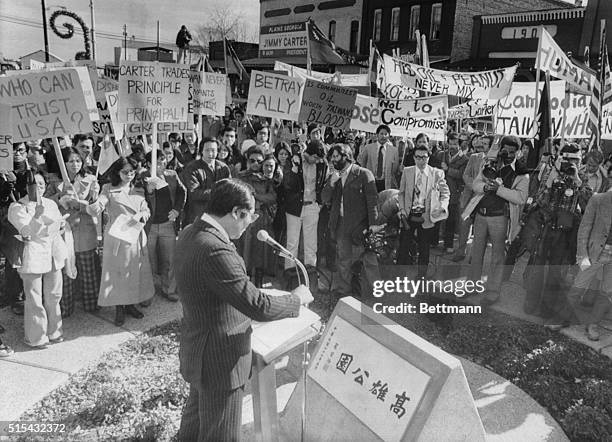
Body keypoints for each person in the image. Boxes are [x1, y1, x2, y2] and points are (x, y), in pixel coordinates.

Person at [175, 178, 312, 441]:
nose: (251, 223)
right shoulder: (216, 250)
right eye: (250, 216)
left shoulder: (191, 233)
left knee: (193, 428)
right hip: (220, 361)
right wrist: (296, 299)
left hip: (198, 349)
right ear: (237, 212)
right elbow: (258, 305)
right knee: (220, 434)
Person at [462, 135, 529, 307]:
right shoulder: (489, 164)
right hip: (481, 215)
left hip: (500, 217)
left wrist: (499, 189)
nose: (507, 154)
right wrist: (485, 187)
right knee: (476, 253)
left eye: (512, 152)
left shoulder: (521, 172)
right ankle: (472, 286)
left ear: (517, 152)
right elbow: (475, 184)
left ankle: (492, 291)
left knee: (498, 256)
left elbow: (521, 198)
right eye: (505, 150)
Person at [87, 157, 154, 326]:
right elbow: (95, 209)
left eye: (132, 171)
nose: (129, 175)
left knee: (133, 272)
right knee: (118, 273)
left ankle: (131, 304)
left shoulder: (138, 188)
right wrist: (93, 196)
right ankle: (119, 308)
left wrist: (142, 215)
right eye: (125, 172)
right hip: (117, 238)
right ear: (117, 172)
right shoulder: (108, 189)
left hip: (135, 235)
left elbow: (146, 209)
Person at [9, 170, 68, 348]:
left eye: (41, 184)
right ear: (27, 187)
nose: (38, 188)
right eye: (34, 184)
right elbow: (26, 232)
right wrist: (36, 216)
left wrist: (61, 225)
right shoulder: (18, 207)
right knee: (34, 298)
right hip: (32, 255)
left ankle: (54, 331)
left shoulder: (51, 203)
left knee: (54, 295)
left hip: (53, 254)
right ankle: (36, 337)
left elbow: (57, 227)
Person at [546, 190, 612, 341]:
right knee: (578, 287)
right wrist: (582, 254)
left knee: (608, 292)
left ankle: (593, 324)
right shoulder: (598, 199)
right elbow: (585, 227)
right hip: (594, 252)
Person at [45, 147, 101, 317]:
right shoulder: (54, 182)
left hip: (85, 230)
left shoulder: (91, 180)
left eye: (78, 160)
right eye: (70, 161)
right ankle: (65, 307)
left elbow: (96, 208)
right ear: (63, 162)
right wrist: (59, 200)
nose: (75, 164)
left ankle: (91, 303)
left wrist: (90, 199)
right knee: (65, 271)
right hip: (63, 232)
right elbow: (45, 205)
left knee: (87, 269)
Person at [322, 144, 384, 298]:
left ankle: (376, 292)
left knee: (369, 258)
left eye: (337, 156)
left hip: (361, 225)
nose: (334, 160)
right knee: (344, 260)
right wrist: (331, 183)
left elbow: (372, 201)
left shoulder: (363, 174)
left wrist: (373, 225)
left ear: (346, 156)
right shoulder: (334, 176)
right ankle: (345, 292)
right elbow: (324, 198)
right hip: (341, 224)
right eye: (332, 157)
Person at [397, 144, 450, 278]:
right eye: (418, 157)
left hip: (426, 215)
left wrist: (442, 207)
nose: (421, 161)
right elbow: (401, 193)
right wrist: (402, 209)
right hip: (409, 214)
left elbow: (445, 193)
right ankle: (399, 275)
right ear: (414, 157)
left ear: (429, 157)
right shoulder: (407, 171)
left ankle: (421, 276)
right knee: (404, 246)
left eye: (424, 157)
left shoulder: (437, 173)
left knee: (424, 248)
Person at [144, 150, 186, 302]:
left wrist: (176, 210)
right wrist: (149, 192)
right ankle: (147, 292)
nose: (161, 164)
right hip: (149, 226)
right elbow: (137, 200)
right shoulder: (142, 178)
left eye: (163, 160)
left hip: (168, 223)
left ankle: (169, 289)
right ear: (149, 164)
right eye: (157, 161)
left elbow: (183, 192)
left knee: (169, 259)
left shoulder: (172, 175)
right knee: (149, 260)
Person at [281, 140, 328, 271]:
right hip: (294, 207)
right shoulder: (294, 160)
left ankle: (310, 272)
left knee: (311, 244)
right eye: (315, 157)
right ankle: (289, 272)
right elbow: (287, 184)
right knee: (292, 243)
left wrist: (319, 204)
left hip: (312, 206)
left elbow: (323, 183)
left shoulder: (322, 165)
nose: (317, 160)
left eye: (320, 158)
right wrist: (294, 168)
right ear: (308, 153)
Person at [236, 150, 281, 286]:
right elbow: (237, 194)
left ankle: (259, 285)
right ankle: (244, 283)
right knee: (245, 252)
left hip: (261, 218)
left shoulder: (266, 180)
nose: (255, 163)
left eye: (259, 161)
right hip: (243, 217)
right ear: (247, 160)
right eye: (252, 160)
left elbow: (272, 197)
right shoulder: (240, 176)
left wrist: (255, 196)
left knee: (260, 252)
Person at [0, 143, 29, 316]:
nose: (17, 154)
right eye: (13, 150)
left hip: (22, 215)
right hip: (5, 216)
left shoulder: (31, 169)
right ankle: (16, 297)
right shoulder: (2, 170)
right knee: (13, 258)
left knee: (21, 255)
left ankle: (23, 293)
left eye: (21, 150)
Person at [181, 138, 231, 224]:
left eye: (213, 150)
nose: (210, 153)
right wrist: (217, 192)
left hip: (219, 214)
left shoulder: (224, 168)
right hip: (198, 215)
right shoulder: (192, 168)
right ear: (201, 151)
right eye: (207, 150)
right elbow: (194, 193)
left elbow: (229, 189)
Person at [441, 132, 469, 254]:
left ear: (459, 145)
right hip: (440, 191)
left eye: (455, 144)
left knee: (450, 219)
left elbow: (463, 175)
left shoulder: (464, 159)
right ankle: (434, 240)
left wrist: (448, 170)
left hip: (454, 193)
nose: (452, 146)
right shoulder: (442, 155)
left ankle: (448, 244)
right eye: (450, 143)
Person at [357, 124, 399, 192]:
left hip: (386, 183)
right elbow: (362, 164)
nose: (383, 136)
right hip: (371, 181)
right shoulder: (368, 148)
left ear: (389, 135)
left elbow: (395, 169)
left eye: (386, 134)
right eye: (381, 133)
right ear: (377, 134)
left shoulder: (394, 150)